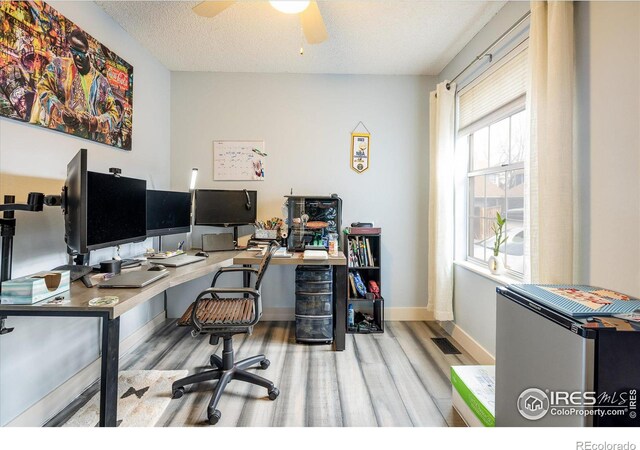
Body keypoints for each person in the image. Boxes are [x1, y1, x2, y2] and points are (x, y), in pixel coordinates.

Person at [31, 28, 118, 144]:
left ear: (89, 53)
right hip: (59, 142)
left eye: (81, 53)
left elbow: (114, 113)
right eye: (74, 52)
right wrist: (60, 112)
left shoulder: (102, 81)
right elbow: (42, 88)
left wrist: (96, 122)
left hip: (92, 146)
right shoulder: (58, 66)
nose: (77, 57)